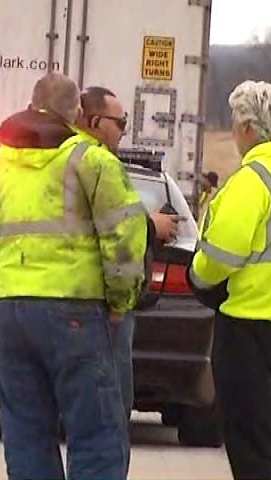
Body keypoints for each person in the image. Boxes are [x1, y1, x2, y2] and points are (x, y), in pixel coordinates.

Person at [0, 73, 148, 480]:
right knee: (96, 433)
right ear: (77, 114)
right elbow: (126, 236)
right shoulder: (91, 161)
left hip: (10, 313)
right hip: (76, 310)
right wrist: (120, 302)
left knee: (26, 433)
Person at [188, 81, 271, 480]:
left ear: (248, 127)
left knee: (248, 441)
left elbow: (220, 256)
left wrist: (198, 273)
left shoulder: (253, 180)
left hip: (245, 329)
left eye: (233, 123)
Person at [78, 86, 180, 433]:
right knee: (109, 416)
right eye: (120, 123)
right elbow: (118, 233)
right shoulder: (101, 164)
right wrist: (120, 306)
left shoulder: (55, 159)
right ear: (94, 121)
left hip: (50, 305)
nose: (124, 129)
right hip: (102, 306)